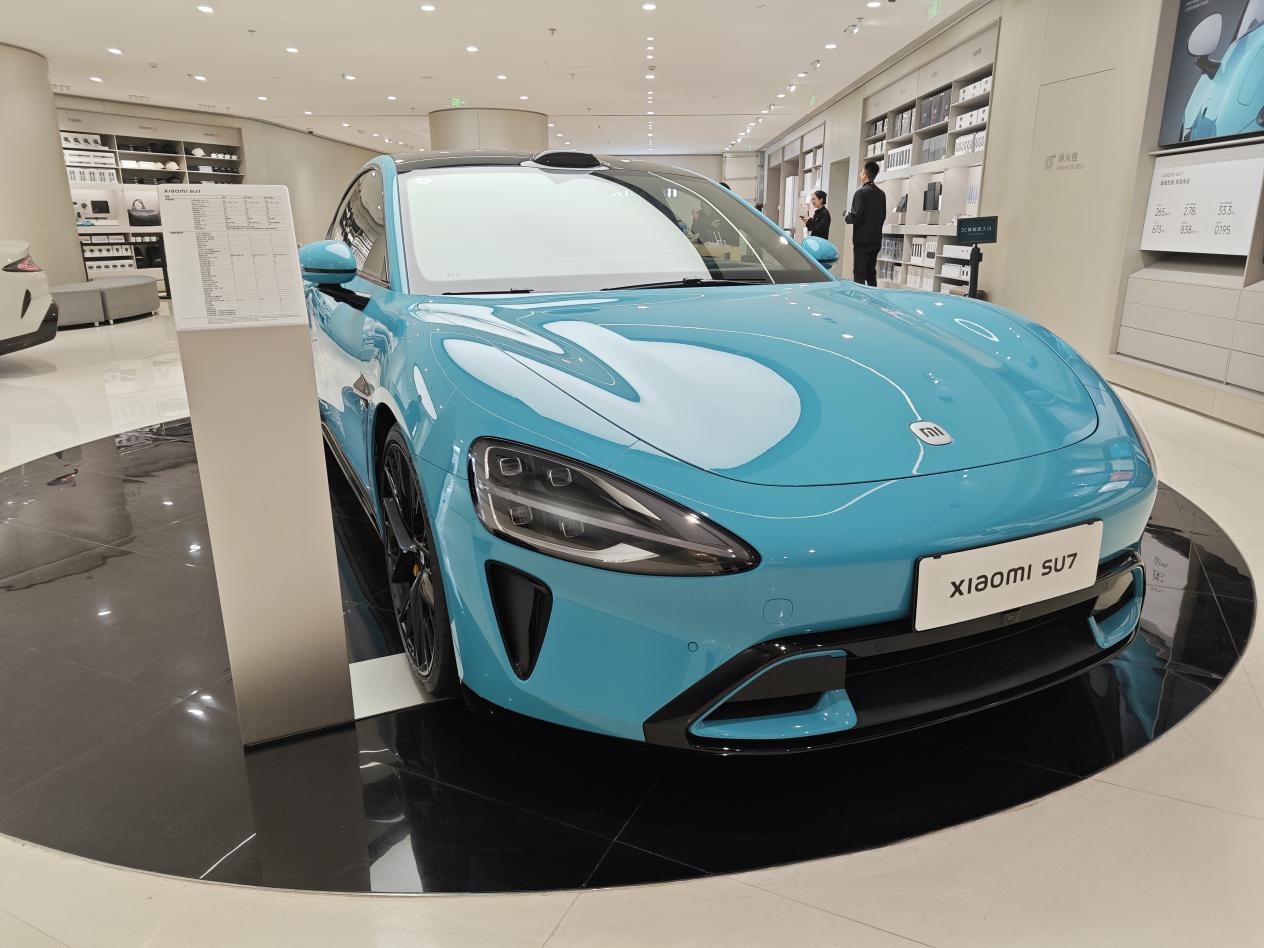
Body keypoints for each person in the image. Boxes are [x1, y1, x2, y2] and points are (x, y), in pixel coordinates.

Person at [845, 161, 887, 287]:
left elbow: (855, 217)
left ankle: (859, 298)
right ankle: (873, 297)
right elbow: (883, 216)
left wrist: (847, 217)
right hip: (876, 240)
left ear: (864, 174)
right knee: (871, 273)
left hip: (862, 241)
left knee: (859, 273)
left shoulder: (860, 193)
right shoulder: (881, 194)